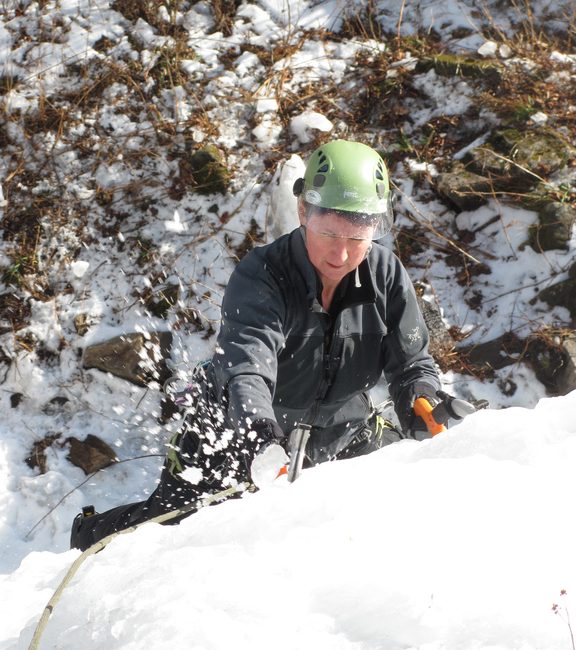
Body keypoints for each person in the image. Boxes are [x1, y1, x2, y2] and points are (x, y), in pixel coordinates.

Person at [70, 139, 456, 551]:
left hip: (341, 431)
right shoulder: (263, 276)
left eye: (358, 237)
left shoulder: (385, 276)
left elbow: (412, 364)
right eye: (328, 233)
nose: (342, 254)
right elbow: (247, 370)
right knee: (173, 540)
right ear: (304, 211)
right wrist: (260, 440)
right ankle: (90, 536)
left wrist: (424, 402)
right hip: (236, 435)